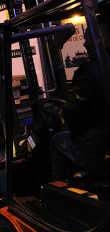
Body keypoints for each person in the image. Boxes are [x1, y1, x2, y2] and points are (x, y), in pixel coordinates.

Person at [50, 11, 110, 181]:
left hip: (96, 148)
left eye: (91, 38)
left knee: (57, 140)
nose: (86, 44)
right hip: (105, 142)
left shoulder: (90, 71)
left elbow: (74, 114)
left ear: (106, 39)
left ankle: (58, 193)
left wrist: (61, 114)